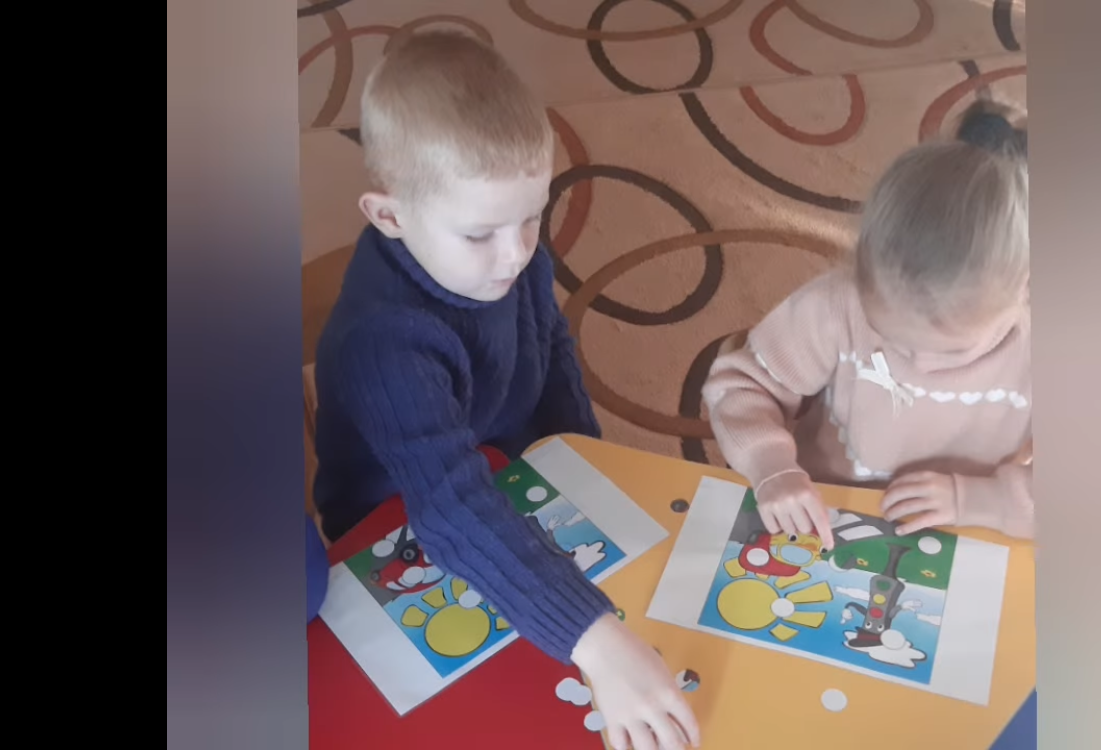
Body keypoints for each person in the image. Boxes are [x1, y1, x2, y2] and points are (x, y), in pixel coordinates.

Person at [311, 31, 699, 750]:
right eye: (480, 234)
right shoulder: (384, 343)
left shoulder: (512, 257)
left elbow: (550, 350)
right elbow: (448, 505)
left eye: (532, 217)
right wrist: (593, 638)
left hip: (507, 471)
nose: (517, 254)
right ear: (390, 216)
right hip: (397, 523)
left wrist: (588, 464)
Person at [702, 99, 1034, 550]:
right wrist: (770, 465)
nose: (918, 365)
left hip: (971, 527)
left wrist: (985, 502)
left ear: (1027, 289)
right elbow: (742, 387)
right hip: (822, 500)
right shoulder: (837, 305)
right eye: (891, 338)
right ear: (861, 268)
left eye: (952, 350)